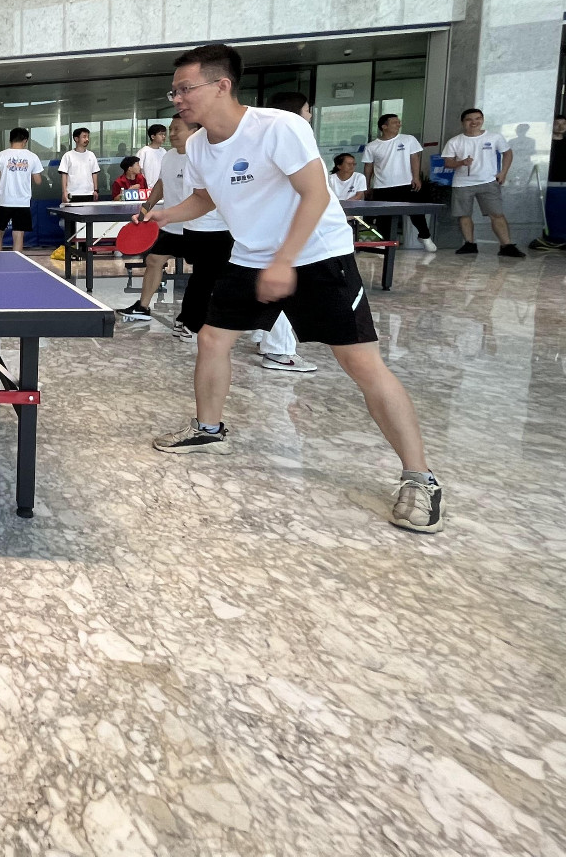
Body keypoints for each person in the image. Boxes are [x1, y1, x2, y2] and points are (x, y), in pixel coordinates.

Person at [141, 45, 441, 533]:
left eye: (185, 88)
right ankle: (208, 429)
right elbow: (206, 197)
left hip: (318, 256)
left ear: (221, 85)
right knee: (212, 339)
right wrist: (167, 213)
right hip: (250, 255)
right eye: (174, 90)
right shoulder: (197, 146)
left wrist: (285, 261)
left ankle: (420, 477)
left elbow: (315, 193)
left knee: (361, 363)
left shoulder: (277, 127)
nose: (176, 98)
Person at [116, 114, 230, 339]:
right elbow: (161, 183)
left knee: (202, 276)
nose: (172, 134)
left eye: (178, 129)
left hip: (201, 225)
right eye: (170, 129)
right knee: (154, 259)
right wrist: (146, 208)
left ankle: (194, 319)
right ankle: (143, 307)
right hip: (171, 224)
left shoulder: (203, 157)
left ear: (195, 132)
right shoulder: (168, 156)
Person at [442, 109, 524, 258]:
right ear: (463, 122)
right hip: (462, 183)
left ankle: (506, 246)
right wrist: (461, 162)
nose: (474, 122)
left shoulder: (494, 137)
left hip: (488, 181)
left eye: (478, 118)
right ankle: (469, 244)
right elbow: (448, 162)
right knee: (464, 214)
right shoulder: (455, 141)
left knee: (497, 214)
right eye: (469, 119)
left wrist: (503, 172)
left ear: (482, 120)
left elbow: (507, 153)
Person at [362, 113, 434, 251]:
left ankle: (425, 236)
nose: (399, 124)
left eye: (399, 122)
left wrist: (416, 177)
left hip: (406, 183)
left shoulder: (408, 139)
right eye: (395, 122)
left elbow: (415, 158)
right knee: (384, 217)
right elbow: (368, 166)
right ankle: (385, 242)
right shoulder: (372, 146)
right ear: (384, 126)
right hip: (382, 186)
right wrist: (367, 185)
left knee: (416, 211)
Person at [0, 127, 45, 254]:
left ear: (10, 140)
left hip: (3, 201)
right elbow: (38, 181)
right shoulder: (33, 157)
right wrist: (26, 173)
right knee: (18, 235)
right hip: (22, 203)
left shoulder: (0, 156)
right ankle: (16, 262)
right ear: (25, 140)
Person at [531, 114, 566, 252]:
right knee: (552, 213)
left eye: (563, 124)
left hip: (564, 183)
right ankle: (552, 239)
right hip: (550, 183)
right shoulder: (545, 143)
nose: (561, 127)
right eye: (557, 123)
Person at [136, 123, 168, 189]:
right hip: (147, 189)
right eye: (161, 134)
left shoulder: (164, 152)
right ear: (153, 137)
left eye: (164, 134)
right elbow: (138, 171)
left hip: (162, 188)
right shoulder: (143, 152)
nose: (163, 136)